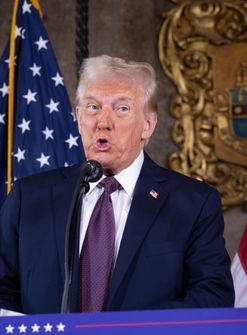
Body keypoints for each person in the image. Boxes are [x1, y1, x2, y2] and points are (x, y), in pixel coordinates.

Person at [0, 55, 234, 314]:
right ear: (78, 118)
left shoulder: (193, 204)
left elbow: (212, 296)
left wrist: (132, 330)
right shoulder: (29, 198)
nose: (103, 122)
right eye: (92, 107)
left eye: (122, 108)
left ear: (148, 125)